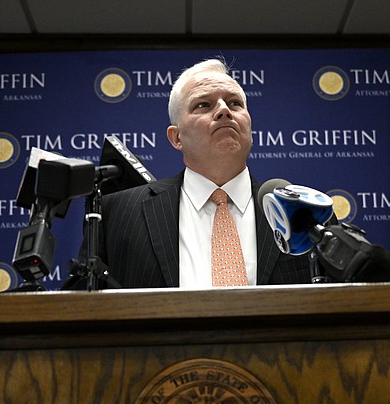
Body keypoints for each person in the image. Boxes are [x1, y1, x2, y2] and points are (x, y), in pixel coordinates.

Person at [84, 57, 311, 289]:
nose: (224, 110)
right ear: (176, 137)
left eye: (234, 104)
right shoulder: (116, 214)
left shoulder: (304, 214)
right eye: (203, 105)